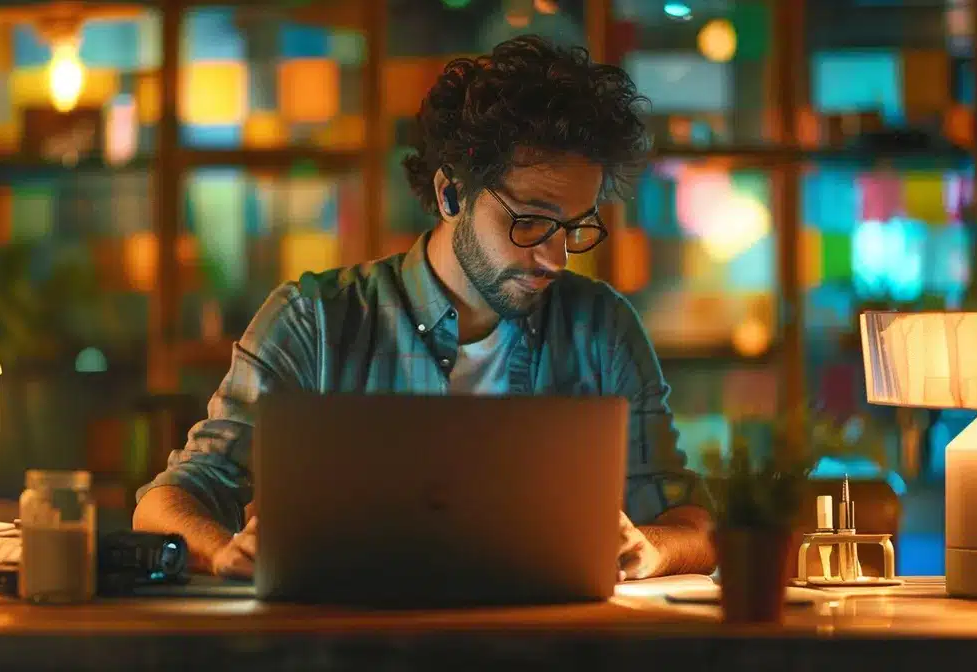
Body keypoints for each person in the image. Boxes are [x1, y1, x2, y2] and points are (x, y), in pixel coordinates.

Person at [132, 35, 716, 581]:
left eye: (574, 226)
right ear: (450, 194)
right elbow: (167, 502)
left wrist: (652, 547)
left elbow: (695, 524)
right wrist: (221, 550)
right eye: (532, 220)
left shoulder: (602, 328)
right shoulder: (314, 321)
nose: (556, 257)